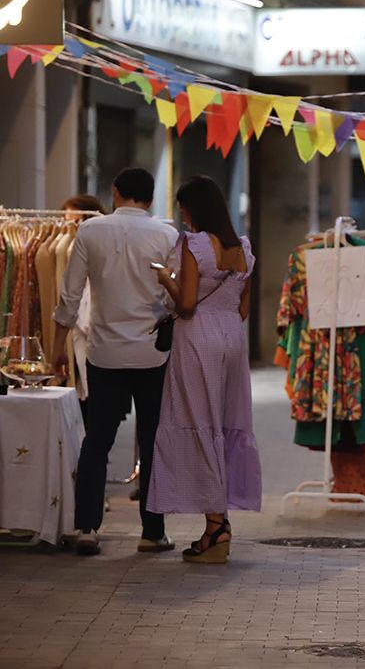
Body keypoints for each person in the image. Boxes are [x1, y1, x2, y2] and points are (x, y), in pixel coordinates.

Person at [51, 167, 178, 557]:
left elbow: (70, 297)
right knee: (153, 438)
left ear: (115, 192)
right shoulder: (168, 235)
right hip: (151, 354)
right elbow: (174, 298)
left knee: (98, 440)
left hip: (103, 352)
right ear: (152, 199)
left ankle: (87, 527)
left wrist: (58, 347)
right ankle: (152, 532)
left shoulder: (89, 232)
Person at [146, 176, 262, 564]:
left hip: (197, 339)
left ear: (194, 208)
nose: (182, 214)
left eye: (183, 208)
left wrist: (166, 278)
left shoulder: (193, 244)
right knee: (223, 424)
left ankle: (216, 526)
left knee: (197, 422)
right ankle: (219, 520)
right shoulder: (243, 248)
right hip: (231, 337)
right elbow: (243, 309)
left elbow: (188, 303)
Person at [60, 195, 107, 410]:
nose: (70, 225)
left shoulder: (82, 246)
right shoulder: (69, 243)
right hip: (80, 322)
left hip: (88, 325)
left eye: (75, 220)